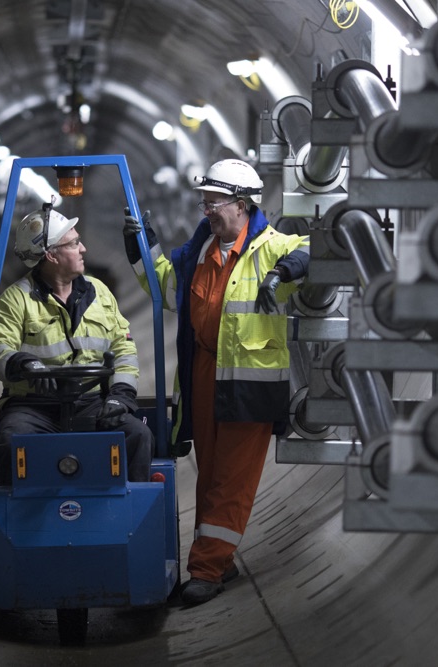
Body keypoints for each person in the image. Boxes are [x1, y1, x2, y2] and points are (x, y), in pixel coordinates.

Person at [122, 158, 309, 605]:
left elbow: (313, 248)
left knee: (231, 480)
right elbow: (169, 291)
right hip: (204, 373)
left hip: (251, 381)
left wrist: (283, 272)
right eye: (204, 202)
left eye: (214, 203)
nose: (206, 211)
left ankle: (205, 569)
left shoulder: (269, 245)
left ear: (243, 204)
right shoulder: (200, 250)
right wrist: (140, 249)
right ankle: (221, 561)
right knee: (209, 476)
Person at [0, 204, 154, 485]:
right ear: (51, 255)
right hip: (33, 407)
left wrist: (119, 396)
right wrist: (24, 364)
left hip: (91, 403)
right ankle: (23, 520)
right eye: (74, 243)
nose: (83, 248)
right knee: (11, 442)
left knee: (138, 436)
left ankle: (132, 516)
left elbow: (123, 349)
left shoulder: (99, 293)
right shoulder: (16, 300)